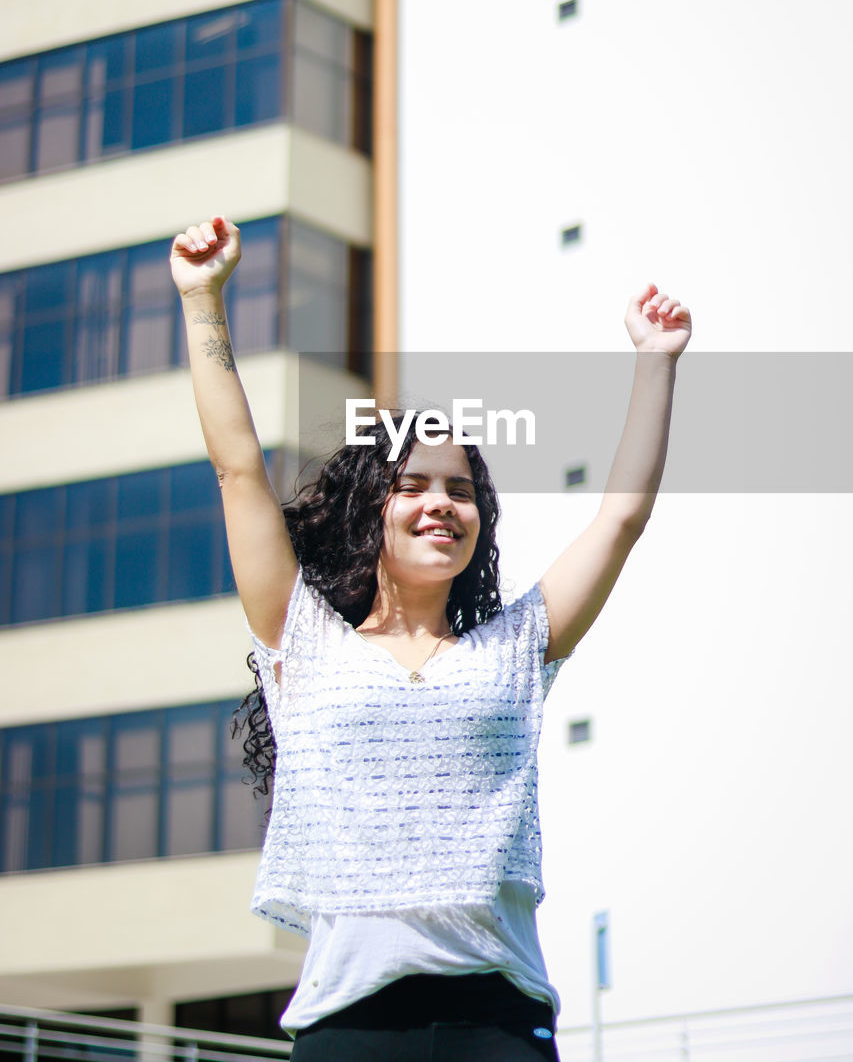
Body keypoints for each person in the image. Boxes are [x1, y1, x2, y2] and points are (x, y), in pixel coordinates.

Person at [169, 214, 691, 1062]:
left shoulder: (516, 648)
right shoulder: (302, 641)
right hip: (350, 1027)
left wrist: (655, 362)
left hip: (499, 1019)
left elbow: (621, 517)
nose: (439, 503)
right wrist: (202, 300)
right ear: (369, 507)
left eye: (460, 489)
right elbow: (236, 469)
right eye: (411, 485)